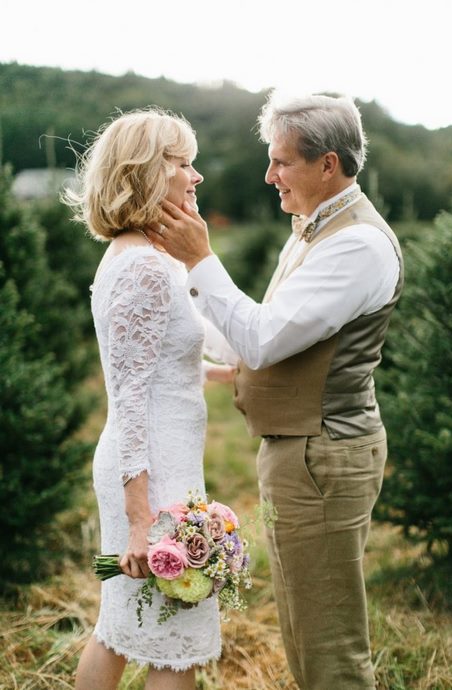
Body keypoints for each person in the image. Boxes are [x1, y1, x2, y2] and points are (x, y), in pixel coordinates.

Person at [148, 91, 404, 690]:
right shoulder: (311, 232)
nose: (269, 176)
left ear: (328, 164)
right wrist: (179, 305)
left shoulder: (356, 245)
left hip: (323, 458)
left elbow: (261, 339)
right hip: (299, 455)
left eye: (281, 161)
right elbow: (254, 342)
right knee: (302, 632)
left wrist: (201, 261)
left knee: (330, 648)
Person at [62, 108, 225, 690]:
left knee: (125, 626)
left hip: (161, 464)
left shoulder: (142, 257)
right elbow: (129, 397)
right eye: (183, 163)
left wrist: (222, 374)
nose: (195, 176)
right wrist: (139, 520)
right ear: (146, 174)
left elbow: (154, 368)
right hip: (150, 476)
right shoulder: (147, 269)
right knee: (171, 644)